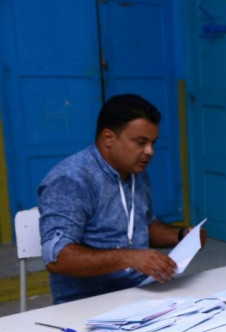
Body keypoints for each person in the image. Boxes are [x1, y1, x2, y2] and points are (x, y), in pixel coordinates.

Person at [38, 93, 206, 304]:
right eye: (141, 142)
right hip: (86, 301)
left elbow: (144, 226)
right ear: (109, 138)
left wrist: (181, 236)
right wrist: (130, 257)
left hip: (141, 290)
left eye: (153, 143)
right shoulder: (71, 180)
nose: (150, 151)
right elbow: (57, 258)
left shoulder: (137, 173)